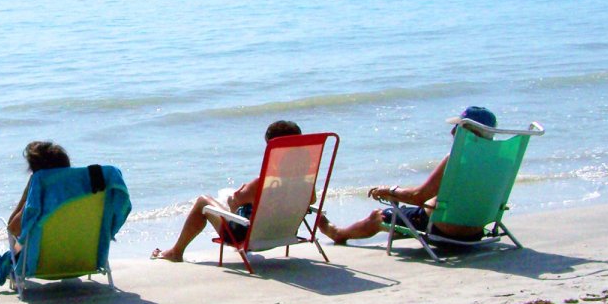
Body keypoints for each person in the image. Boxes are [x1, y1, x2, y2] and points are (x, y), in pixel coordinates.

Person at [318, 106, 497, 245]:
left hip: (443, 229)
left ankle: (338, 234)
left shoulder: (457, 159)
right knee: (409, 212)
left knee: (379, 215)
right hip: (476, 229)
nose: (452, 132)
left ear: (470, 132)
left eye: (458, 127)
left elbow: (418, 197)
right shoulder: (501, 159)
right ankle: (401, 229)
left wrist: (389, 191)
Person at [150, 120, 306, 262]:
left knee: (203, 201)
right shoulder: (304, 183)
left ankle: (176, 252)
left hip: (248, 238)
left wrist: (237, 198)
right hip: (284, 233)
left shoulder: (262, 183)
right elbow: (310, 201)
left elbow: (235, 203)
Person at [0, 141, 71, 285]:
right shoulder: (82, 195)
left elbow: (13, 228)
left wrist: (29, 192)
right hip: (80, 258)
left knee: (17, 246)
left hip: (43, 263)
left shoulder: (38, 202)